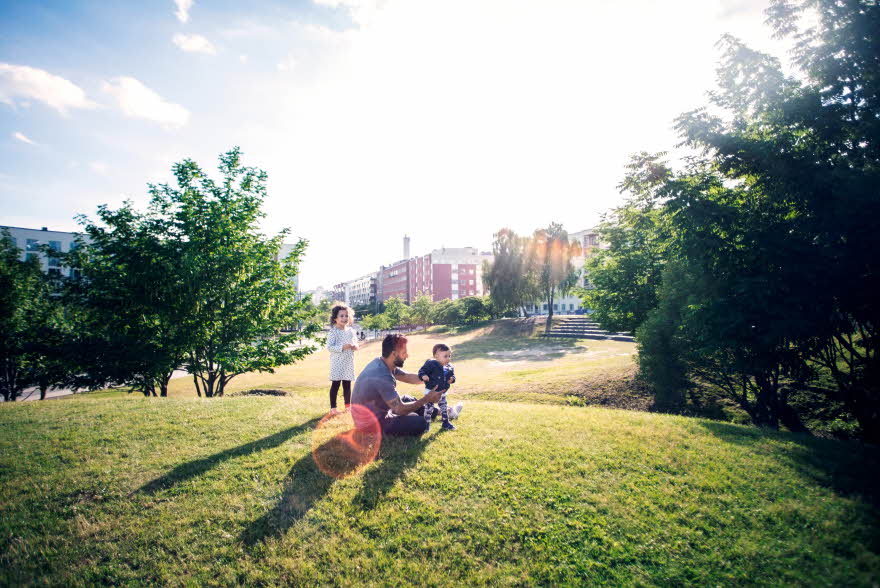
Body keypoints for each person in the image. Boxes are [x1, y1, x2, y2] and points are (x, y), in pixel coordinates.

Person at [350, 334, 443, 436]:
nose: (407, 356)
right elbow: (399, 408)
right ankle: (414, 417)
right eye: (404, 353)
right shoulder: (382, 375)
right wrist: (427, 399)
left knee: (407, 399)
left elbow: (407, 376)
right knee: (421, 422)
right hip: (369, 424)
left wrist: (432, 379)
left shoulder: (383, 363)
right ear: (393, 354)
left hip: (377, 410)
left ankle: (443, 412)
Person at [418, 343, 464, 431]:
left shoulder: (449, 367)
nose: (448, 358)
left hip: (442, 392)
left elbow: (453, 376)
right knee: (429, 409)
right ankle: (426, 424)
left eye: (449, 356)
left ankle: (445, 423)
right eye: (445, 356)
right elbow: (422, 370)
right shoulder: (431, 364)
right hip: (431, 392)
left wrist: (452, 379)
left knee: (444, 408)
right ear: (436, 356)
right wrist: (423, 375)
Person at [327, 303, 358, 415]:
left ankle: (347, 407)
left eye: (346, 316)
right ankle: (333, 408)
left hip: (348, 362)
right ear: (335, 318)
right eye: (341, 316)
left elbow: (355, 343)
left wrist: (355, 346)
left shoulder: (350, 331)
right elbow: (329, 347)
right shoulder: (333, 332)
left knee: (347, 385)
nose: (344, 318)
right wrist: (342, 347)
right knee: (335, 385)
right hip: (337, 363)